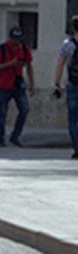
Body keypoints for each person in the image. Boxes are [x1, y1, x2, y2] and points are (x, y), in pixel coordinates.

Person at [0, 26, 35, 147]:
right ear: (10, 38)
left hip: (18, 84)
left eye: (18, 39)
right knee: (2, 112)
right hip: (4, 84)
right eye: (14, 39)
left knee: (24, 109)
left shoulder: (24, 49)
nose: (16, 41)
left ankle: (15, 135)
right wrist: (11, 64)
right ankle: (0, 138)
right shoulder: (2, 49)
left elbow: (29, 65)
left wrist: (31, 83)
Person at [52, 15, 78, 160]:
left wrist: (57, 83)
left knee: (73, 119)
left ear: (73, 28)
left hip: (73, 85)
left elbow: (60, 64)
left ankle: (76, 148)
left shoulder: (67, 44)